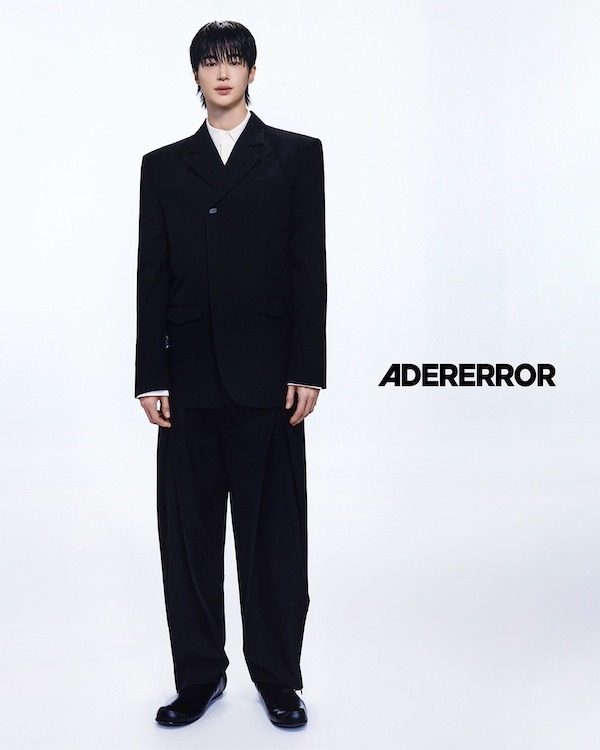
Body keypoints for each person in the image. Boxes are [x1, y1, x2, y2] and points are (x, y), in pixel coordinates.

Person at [135, 20, 326, 729]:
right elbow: (152, 275)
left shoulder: (296, 156)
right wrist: (150, 375)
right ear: (195, 75)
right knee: (189, 541)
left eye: (234, 60)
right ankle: (199, 678)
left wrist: (307, 367)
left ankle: (277, 679)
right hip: (187, 382)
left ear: (251, 71)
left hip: (268, 380)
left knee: (274, 541)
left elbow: (309, 268)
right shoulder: (163, 166)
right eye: (211, 62)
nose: (223, 72)